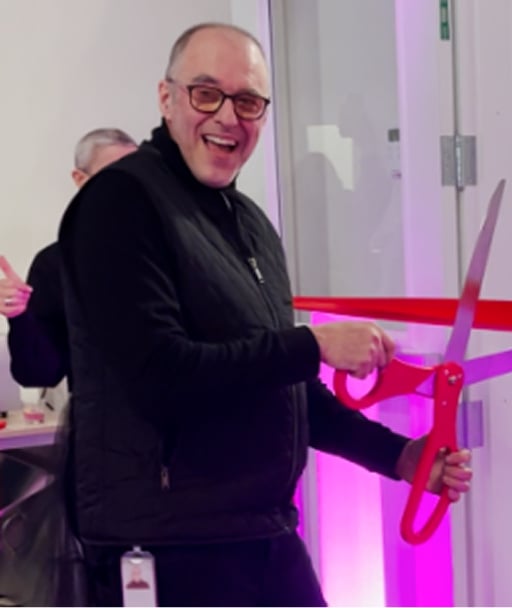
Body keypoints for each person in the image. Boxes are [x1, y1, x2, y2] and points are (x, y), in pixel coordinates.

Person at [57, 22, 473, 607]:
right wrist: (315, 346)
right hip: (165, 547)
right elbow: (159, 376)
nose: (229, 116)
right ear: (167, 98)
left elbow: (286, 392)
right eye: (207, 93)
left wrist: (400, 457)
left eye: (248, 101)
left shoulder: (248, 222)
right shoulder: (119, 203)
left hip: (260, 532)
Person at [2, 128, 137, 392]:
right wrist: (20, 316)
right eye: (114, 177)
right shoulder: (55, 264)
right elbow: (40, 372)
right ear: (80, 179)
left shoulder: (170, 249)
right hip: (102, 423)